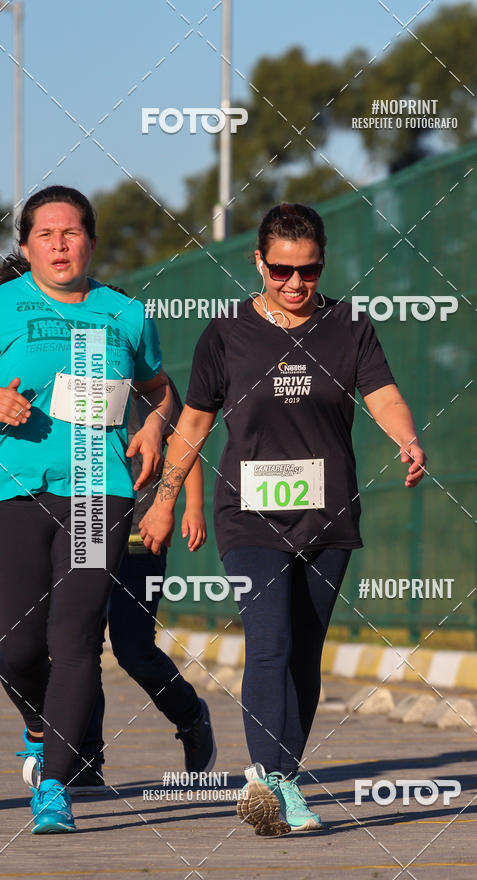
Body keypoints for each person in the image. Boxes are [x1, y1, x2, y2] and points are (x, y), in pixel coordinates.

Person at [139, 202, 426, 836]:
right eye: (280, 271)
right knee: (269, 641)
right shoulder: (226, 334)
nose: (295, 285)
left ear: (322, 264)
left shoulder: (349, 327)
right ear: (259, 263)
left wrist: (406, 439)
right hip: (249, 513)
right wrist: (165, 498)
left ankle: (287, 780)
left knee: (305, 650)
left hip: (328, 514)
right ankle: (266, 780)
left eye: (309, 271)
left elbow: (384, 395)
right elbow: (193, 423)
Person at [0, 185, 173, 834]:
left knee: (73, 638)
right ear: (26, 247)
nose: (59, 245)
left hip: (99, 491)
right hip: (13, 487)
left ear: (92, 243)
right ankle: (41, 727)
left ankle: (54, 787)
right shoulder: (3, 305)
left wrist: (155, 425)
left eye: (71, 233)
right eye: (45, 235)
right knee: (15, 646)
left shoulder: (125, 313)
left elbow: (159, 389)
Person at [73, 370, 216, 793]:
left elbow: (183, 443)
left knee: (133, 650)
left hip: (141, 528)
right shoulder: (69, 369)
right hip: (83, 529)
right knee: (79, 646)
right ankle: (86, 757)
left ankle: (190, 716)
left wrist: (192, 507)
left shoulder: (153, 382)